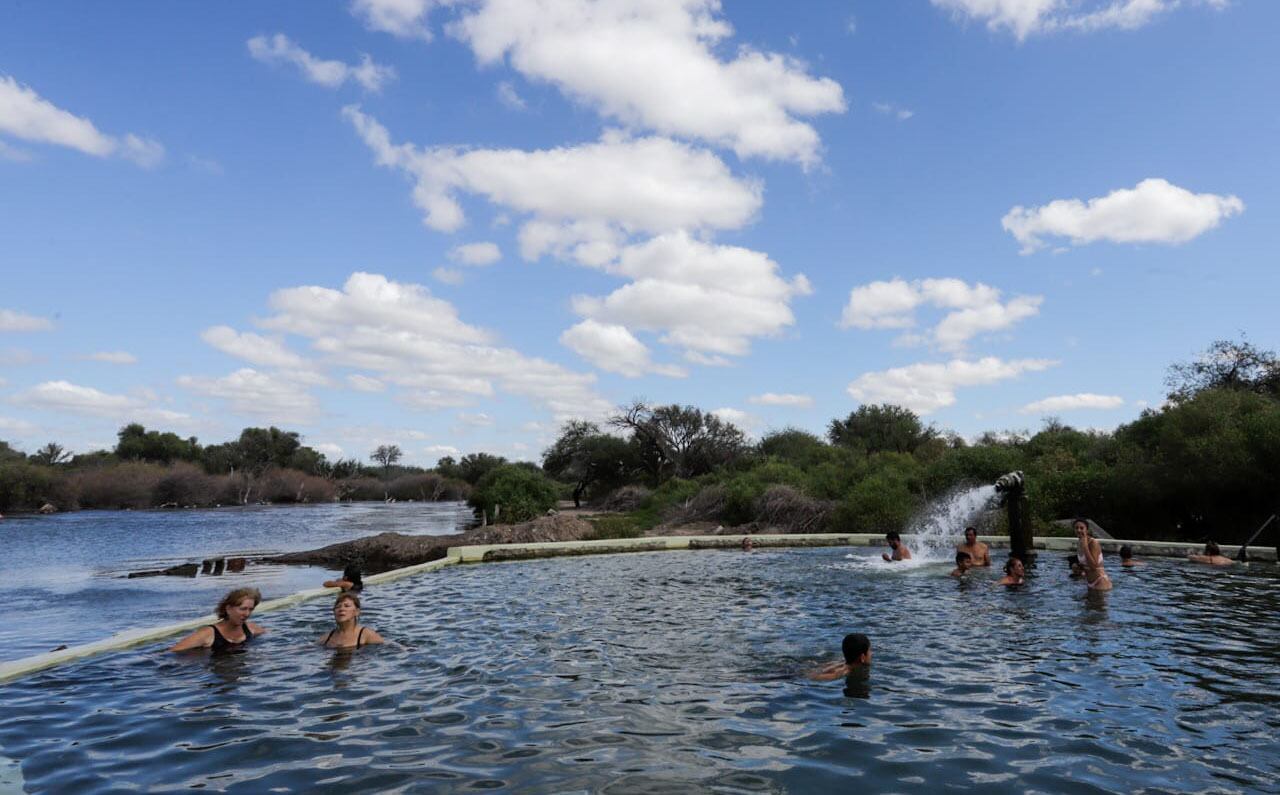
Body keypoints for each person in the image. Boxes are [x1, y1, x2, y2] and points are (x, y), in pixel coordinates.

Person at [171, 587, 267, 653]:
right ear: (228, 608)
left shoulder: (251, 628)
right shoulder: (207, 634)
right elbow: (173, 651)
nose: (247, 614)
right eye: (243, 609)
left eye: (251, 609)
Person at [319, 591, 384, 649]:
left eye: (347, 606)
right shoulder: (327, 638)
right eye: (338, 607)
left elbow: (388, 647)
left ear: (357, 612)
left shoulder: (367, 635)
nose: (341, 609)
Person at [1074, 518, 1112, 591]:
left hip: (1100, 581)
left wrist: (1085, 547)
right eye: (1076, 528)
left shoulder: (1093, 543)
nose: (1079, 530)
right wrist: (1078, 566)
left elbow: (1094, 566)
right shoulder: (1079, 542)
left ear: (1087, 530)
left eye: (1082, 528)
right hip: (1089, 583)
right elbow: (1086, 564)